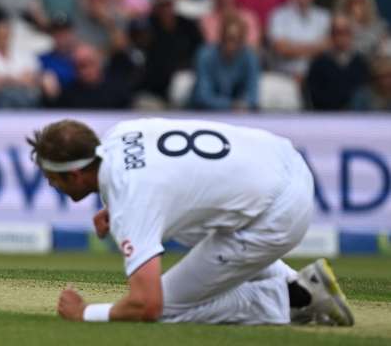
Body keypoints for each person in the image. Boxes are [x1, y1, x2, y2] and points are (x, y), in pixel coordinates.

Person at [29, 117, 353, 326]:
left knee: (165, 312)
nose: (49, 185)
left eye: (51, 178)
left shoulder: (132, 200)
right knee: (187, 225)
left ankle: (296, 298)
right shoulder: (121, 134)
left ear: (74, 173)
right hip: (283, 159)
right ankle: (300, 280)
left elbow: (147, 304)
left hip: (279, 212)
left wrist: (85, 313)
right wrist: (119, 210)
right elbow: (175, 177)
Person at [190, 12, 260, 111]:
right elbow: (202, 96)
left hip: (239, 116)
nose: (231, 45)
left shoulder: (250, 58)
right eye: (228, 39)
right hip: (204, 113)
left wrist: (241, 104)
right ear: (221, 37)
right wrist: (231, 105)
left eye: (237, 40)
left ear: (242, 41)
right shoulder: (205, 56)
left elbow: (253, 96)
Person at [267, 0, 330, 79]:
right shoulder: (278, 15)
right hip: (284, 76)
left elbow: (328, 46)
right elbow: (281, 49)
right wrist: (316, 48)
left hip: (318, 77)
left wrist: (292, 47)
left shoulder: (324, 17)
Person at [305, 15, 369, 110]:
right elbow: (314, 95)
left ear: (351, 35)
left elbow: (364, 93)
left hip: (356, 118)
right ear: (331, 35)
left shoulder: (360, 63)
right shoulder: (319, 63)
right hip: (327, 117)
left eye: (346, 32)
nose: (342, 37)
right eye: (338, 33)